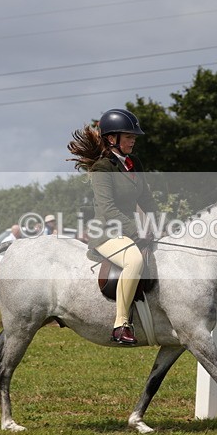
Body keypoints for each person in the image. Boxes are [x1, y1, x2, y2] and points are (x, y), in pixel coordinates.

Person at [68, 108, 159, 345]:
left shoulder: (133, 163)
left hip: (128, 228)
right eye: (128, 136)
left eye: (133, 137)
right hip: (107, 232)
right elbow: (108, 209)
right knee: (135, 261)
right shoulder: (102, 168)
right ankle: (120, 324)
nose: (133, 141)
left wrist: (158, 223)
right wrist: (137, 230)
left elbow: (146, 200)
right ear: (112, 139)